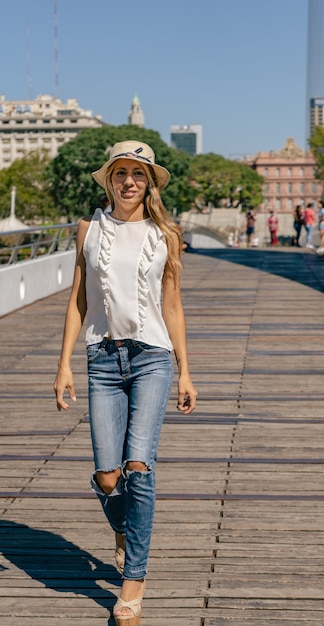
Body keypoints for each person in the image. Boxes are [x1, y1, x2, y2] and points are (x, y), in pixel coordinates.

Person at [53, 140, 198, 626]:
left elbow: (172, 305)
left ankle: (133, 581)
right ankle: (126, 530)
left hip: (153, 357)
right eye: (121, 173)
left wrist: (185, 369)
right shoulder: (88, 229)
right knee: (107, 476)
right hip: (101, 359)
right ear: (110, 180)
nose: (129, 181)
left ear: (150, 182)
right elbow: (78, 301)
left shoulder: (166, 235)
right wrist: (64, 364)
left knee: (139, 467)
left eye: (139, 174)